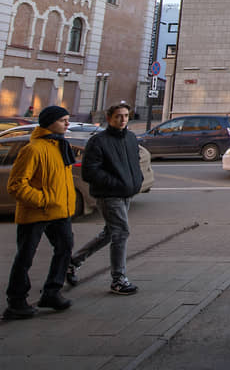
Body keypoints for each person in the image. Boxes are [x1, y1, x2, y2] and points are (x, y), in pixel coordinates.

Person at [3, 106, 76, 320]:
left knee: (65, 250)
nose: (67, 124)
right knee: (25, 257)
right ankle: (16, 301)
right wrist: (44, 200)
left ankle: (52, 292)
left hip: (60, 212)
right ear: (50, 122)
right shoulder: (33, 149)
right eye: (63, 120)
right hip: (37, 212)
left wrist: (64, 204)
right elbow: (16, 185)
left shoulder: (61, 146)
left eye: (67, 120)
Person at [66, 103, 144, 295]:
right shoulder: (99, 141)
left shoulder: (131, 138)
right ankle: (118, 280)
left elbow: (135, 162)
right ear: (109, 118)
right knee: (121, 232)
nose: (123, 119)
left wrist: (137, 181)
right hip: (109, 194)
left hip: (126, 193)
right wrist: (116, 183)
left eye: (126, 116)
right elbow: (90, 171)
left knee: (110, 233)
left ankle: (73, 262)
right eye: (118, 116)